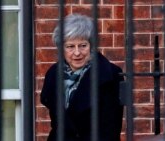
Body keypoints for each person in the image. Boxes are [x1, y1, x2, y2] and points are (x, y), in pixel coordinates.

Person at [40, 13, 124, 141]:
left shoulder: (109, 75)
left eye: (83, 45)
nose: (77, 52)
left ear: (91, 46)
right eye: (70, 46)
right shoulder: (53, 74)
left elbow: (111, 129)